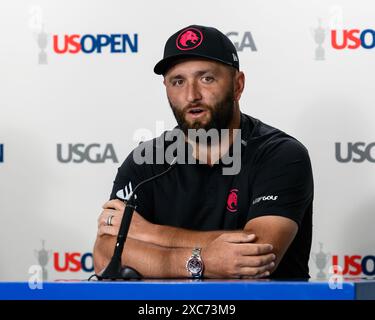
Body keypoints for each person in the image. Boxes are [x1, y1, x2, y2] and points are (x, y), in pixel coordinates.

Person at [93, 25, 314, 279]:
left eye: (207, 78)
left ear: (238, 85)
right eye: (178, 81)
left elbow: (256, 253)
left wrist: (147, 233)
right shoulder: (144, 162)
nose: (191, 95)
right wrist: (204, 261)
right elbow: (105, 253)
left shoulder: (280, 155)